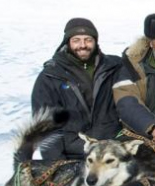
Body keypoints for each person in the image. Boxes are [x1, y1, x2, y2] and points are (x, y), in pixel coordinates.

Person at [31, 18, 122, 159]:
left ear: (95, 41)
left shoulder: (114, 67)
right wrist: (56, 164)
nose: (83, 45)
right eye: (76, 40)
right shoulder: (51, 76)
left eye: (88, 39)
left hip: (112, 151)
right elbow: (45, 126)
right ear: (67, 42)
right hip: (74, 153)